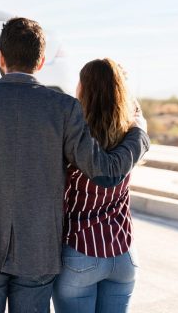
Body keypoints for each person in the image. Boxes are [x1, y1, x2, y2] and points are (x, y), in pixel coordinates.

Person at [0, 17, 149, 313]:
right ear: (41, 62)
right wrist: (139, 133)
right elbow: (105, 172)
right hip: (38, 252)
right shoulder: (65, 108)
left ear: (0, 58)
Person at [52, 58, 141, 313]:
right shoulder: (129, 138)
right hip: (123, 254)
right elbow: (135, 112)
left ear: (83, 90)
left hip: (80, 253)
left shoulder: (74, 141)